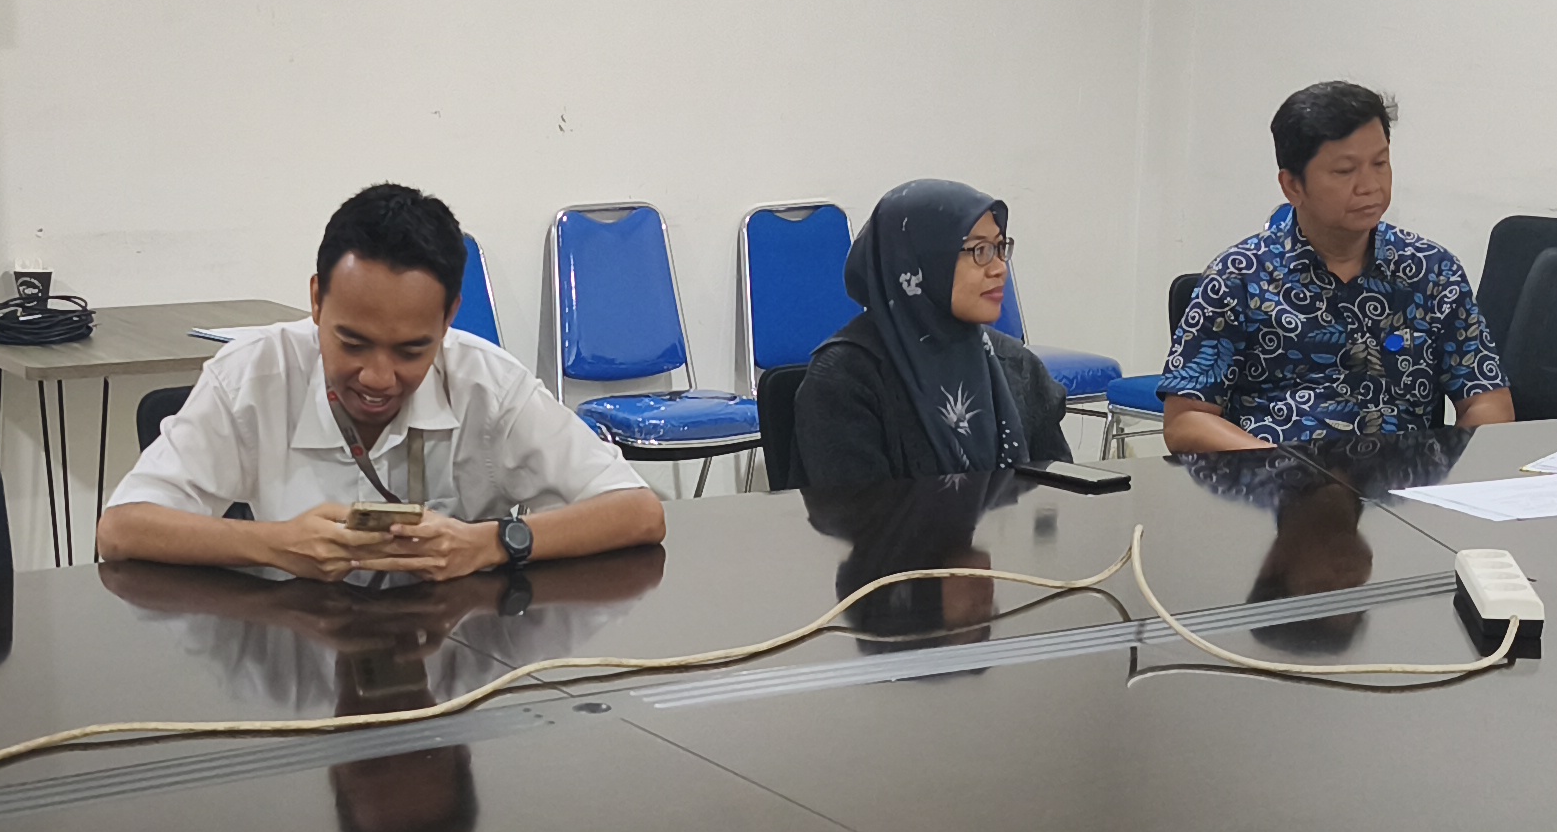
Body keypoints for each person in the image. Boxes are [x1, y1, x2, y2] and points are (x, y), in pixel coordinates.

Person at [96, 181, 667, 581]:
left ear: (448, 318)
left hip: (453, 659)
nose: (377, 377)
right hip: (296, 658)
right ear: (316, 300)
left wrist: (490, 544)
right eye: (352, 342)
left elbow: (638, 512)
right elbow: (122, 530)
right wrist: (275, 545)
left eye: (412, 349)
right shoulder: (253, 374)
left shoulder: (485, 384)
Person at [1150, 82, 1515, 453]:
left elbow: (1487, 402)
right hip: (1275, 479)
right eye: (1344, 171)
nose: (1369, 186)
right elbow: (1186, 422)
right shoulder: (1238, 278)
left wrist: (1452, 474)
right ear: (1293, 186)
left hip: (1401, 480)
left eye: (1380, 164)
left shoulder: (1432, 272)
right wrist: (1282, 465)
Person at [790, 179, 1072, 490]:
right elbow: (856, 512)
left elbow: (1061, 498)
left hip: (1013, 524)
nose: (999, 269)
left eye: (1000, 248)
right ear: (918, 261)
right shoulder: (845, 379)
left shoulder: (1018, 366)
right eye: (979, 250)